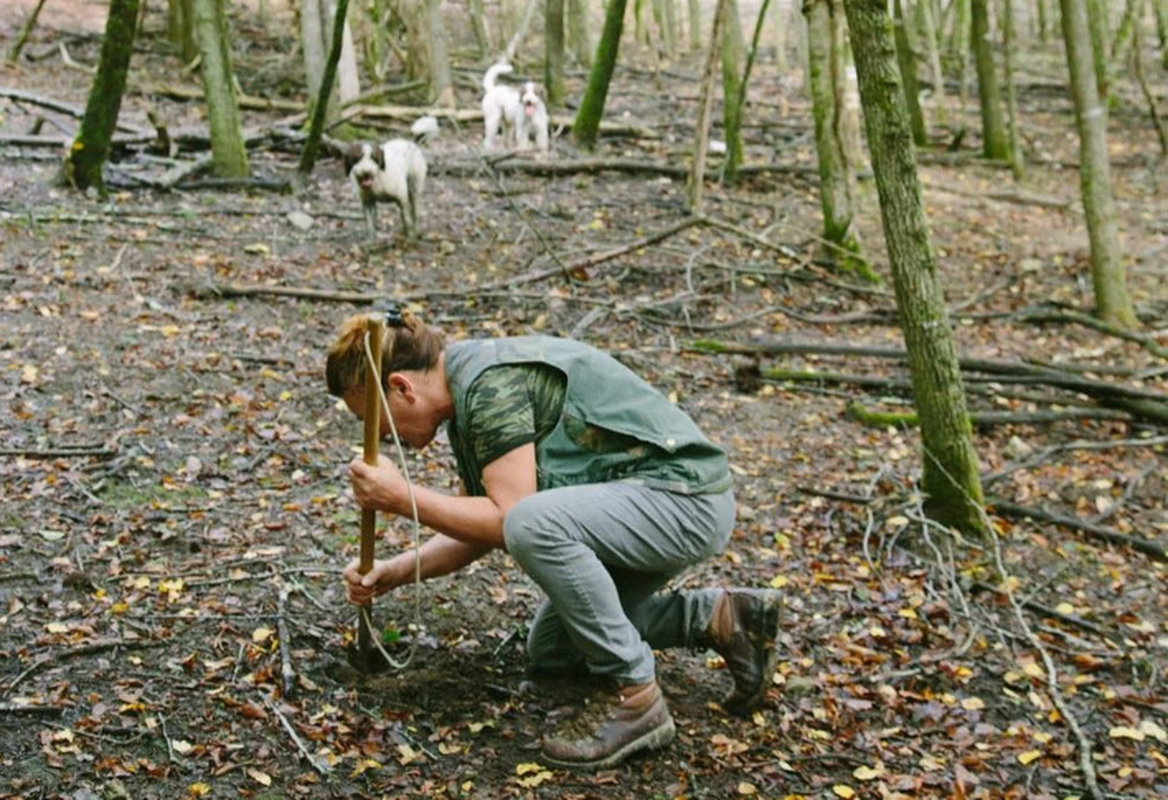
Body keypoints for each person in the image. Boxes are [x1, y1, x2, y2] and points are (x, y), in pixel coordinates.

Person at [326, 309, 782, 770]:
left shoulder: (490, 386)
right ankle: (723, 618)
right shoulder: (466, 392)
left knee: (530, 522)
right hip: (656, 504)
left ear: (402, 387)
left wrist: (402, 498)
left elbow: (510, 519)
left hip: (685, 501)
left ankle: (635, 696)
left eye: (379, 424)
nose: (386, 440)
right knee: (553, 648)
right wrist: (394, 572)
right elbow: (478, 527)